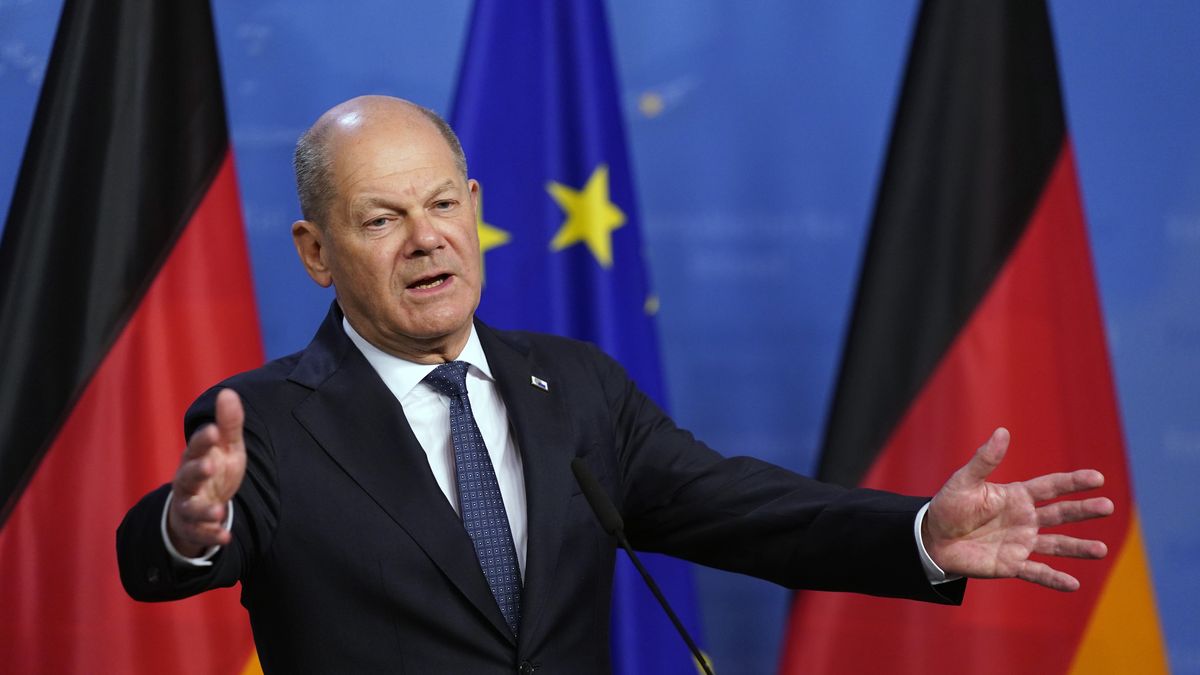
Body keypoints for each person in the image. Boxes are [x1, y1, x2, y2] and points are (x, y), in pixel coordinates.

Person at [117, 96, 1113, 674]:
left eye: (439, 205)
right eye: (381, 220)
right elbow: (161, 555)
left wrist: (918, 536)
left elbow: (745, 512)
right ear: (316, 252)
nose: (426, 240)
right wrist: (184, 531)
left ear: (472, 208)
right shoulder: (272, 425)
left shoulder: (574, 386)